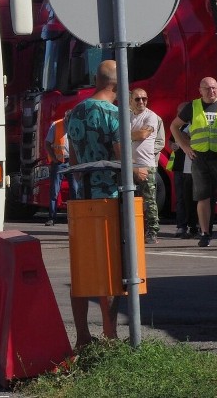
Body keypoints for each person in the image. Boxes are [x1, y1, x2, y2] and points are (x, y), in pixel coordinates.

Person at [66, 60, 121, 349]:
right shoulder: (113, 114)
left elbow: (74, 161)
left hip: (81, 199)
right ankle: (111, 336)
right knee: (110, 268)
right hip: (109, 199)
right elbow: (120, 157)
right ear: (116, 83)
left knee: (82, 269)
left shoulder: (75, 112)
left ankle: (82, 336)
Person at [170, 77, 217, 247]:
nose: (211, 91)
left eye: (214, 88)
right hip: (199, 158)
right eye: (207, 89)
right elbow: (174, 126)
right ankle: (205, 233)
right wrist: (185, 146)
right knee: (203, 197)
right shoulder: (192, 106)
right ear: (199, 90)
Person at [129, 88, 162, 244]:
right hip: (129, 165)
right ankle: (134, 230)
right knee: (130, 199)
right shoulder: (127, 116)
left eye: (144, 98)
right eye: (137, 99)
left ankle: (152, 231)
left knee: (149, 200)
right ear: (131, 101)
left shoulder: (151, 116)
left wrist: (125, 134)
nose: (141, 102)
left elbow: (143, 134)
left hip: (146, 165)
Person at [167, 103, 199, 238]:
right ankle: (181, 226)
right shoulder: (178, 128)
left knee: (194, 198)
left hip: (193, 167)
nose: (181, 116)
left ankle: (194, 225)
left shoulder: (192, 126)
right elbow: (170, 142)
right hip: (179, 167)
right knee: (181, 198)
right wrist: (173, 145)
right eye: (179, 113)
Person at [44, 110, 77, 226]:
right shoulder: (56, 125)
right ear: (65, 117)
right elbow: (47, 144)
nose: (70, 121)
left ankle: (75, 217)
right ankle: (51, 217)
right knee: (54, 191)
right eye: (68, 119)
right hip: (59, 163)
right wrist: (53, 159)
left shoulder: (76, 124)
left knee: (75, 190)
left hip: (72, 162)